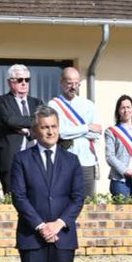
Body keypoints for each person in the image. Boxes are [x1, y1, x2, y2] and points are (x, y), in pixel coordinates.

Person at [11, 106, 86, 262]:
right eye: (44, 127)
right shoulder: (22, 159)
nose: (50, 131)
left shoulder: (71, 160)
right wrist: (42, 226)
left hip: (63, 238)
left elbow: (78, 198)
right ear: (35, 130)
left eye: (53, 126)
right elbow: (19, 197)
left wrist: (58, 224)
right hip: (33, 238)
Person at [48, 67, 102, 196]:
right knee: (65, 200)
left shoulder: (89, 105)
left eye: (76, 83)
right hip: (64, 161)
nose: (73, 87)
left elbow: (97, 132)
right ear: (61, 82)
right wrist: (86, 127)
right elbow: (59, 132)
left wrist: (72, 131)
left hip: (87, 161)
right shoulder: (53, 105)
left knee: (88, 202)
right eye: (69, 83)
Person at [0, 64, 42, 194]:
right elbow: (9, 120)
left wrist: (27, 131)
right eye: (20, 80)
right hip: (11, 157)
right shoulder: (0, 101)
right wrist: (32, 121)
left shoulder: (37, 102)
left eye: (27, 80)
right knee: (12, 195)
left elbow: (41, 123)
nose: (24, 83)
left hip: (34, 156)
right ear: (10, 82)